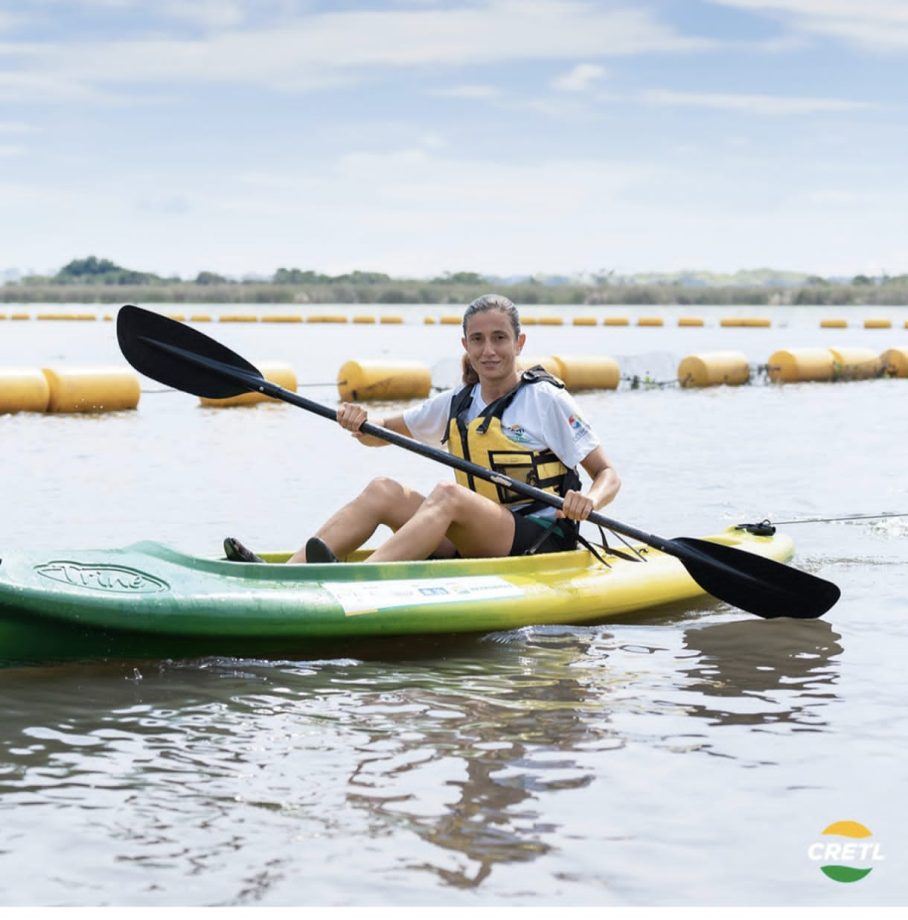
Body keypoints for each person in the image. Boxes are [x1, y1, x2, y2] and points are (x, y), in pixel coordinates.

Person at [224, 294, 619, 564]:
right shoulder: (457, 402)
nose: (489, 351)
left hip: (537, 538)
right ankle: (288, 576)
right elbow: (380, 433)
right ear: (465, 344)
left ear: (519, 342)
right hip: (478, 533)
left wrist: (591, 501)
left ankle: (360, 583)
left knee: (448, 494)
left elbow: (607, 474)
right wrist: (359, 422)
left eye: (500, 338)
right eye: (478, 340)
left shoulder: (545, 400)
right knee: (383, 489)